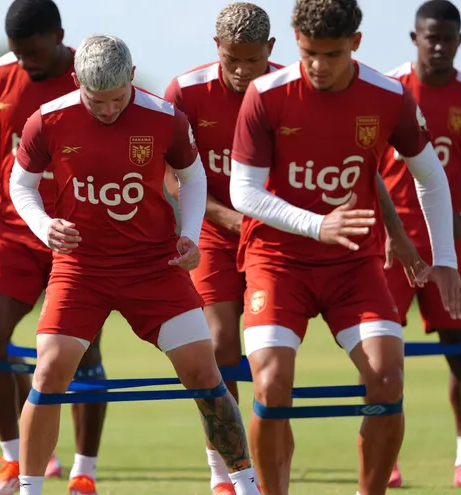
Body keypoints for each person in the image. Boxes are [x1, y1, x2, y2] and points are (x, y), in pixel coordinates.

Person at [227, 0, 461, 493]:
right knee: (271, 384)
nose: (318, 65)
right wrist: (318, 225)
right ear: (296, 38)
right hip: (276, 263)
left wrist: (444, 259)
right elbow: (243, 192)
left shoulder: (387, 95)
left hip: (352, 267)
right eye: (309, 52)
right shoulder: (265, 94)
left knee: (388, 379)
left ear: (355, 43)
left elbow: (431, 178)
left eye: (332, 54)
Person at [8, 35, 262, 495]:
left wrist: (188, 232)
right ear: (76, 82)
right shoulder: (46, 120)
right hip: (80, 267)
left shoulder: (165, 118)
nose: (107, 111)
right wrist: (43, 226)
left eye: (117, 99)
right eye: (96, 102)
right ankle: (30, 489)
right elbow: (20, 184)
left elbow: (192, 175)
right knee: (48, 371)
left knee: (206, 372)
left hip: (153, 266)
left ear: (131, 77)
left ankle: (244, 485)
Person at [0, 1, 108, 493]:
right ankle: (10, 460)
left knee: (81, 351)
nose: (26, 62)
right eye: (17, 52)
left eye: (35, 52)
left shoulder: (90, 71)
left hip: (80, 231)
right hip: (15, 227)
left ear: (60, 36)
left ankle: (84, 472)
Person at [378, 0, 461, 488]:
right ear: (414, 39)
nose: (438, 45)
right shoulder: (386, 91)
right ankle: (384, 458)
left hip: (448, 248)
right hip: (389, 244)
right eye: (429, 37)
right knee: (379, 352)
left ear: (459, 40)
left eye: (447, 38)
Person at [161, 4, 279, 494]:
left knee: (269, 349)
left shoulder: (288, 89)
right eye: (231, 59)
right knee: (220, 343)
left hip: (273, 235)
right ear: (217, 48)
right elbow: (169, 173)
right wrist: (222, 215)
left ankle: (266, 467)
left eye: (251, 61)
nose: (240, 70)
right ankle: (224, 472)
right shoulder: (184, 91)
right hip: (212, 232)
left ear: (270, 52)